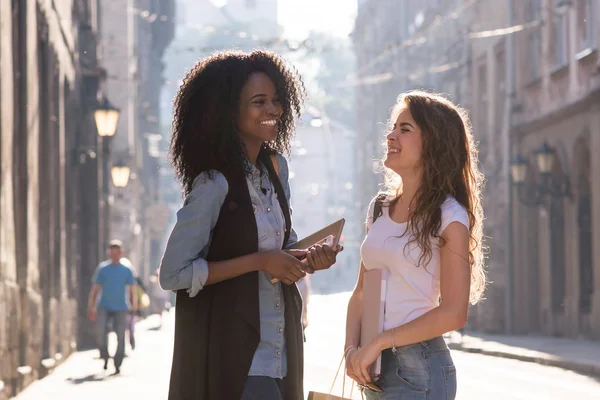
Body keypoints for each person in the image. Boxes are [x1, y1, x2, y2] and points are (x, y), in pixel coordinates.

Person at [159, 50, 342, 400]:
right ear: (228, 111)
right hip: (236, 361)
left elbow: (281, 249)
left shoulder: (275, 170)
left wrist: (310, 259)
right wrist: (259, 262)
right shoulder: (213, 183)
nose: (273, 109)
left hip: (281, 353)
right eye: (259, 101)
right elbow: (173, 274)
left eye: (276, 100)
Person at [344, 90, 486, 399]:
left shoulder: (450, 216)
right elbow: (361, 292)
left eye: (404, 129)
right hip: (373, 367)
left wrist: (379, 342)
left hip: (419, 371)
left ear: (433, 143)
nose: (391, 135)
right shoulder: (379, 208)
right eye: (393, 127)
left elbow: (453, 313)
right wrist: (352, 350)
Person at [88, 240, 138, 374]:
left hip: (121, 307)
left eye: (117, 252)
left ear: (121, 253)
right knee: (101, 333)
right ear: (108, 253)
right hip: (104, 306)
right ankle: (104, 356)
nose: (114, 255)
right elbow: (95, 290)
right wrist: (91, 307)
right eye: (112, 252)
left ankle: (117, 363)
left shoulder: (126, 270)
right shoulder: (103, 269)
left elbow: (132, 290)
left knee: (121, 336)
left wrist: (134, 307)